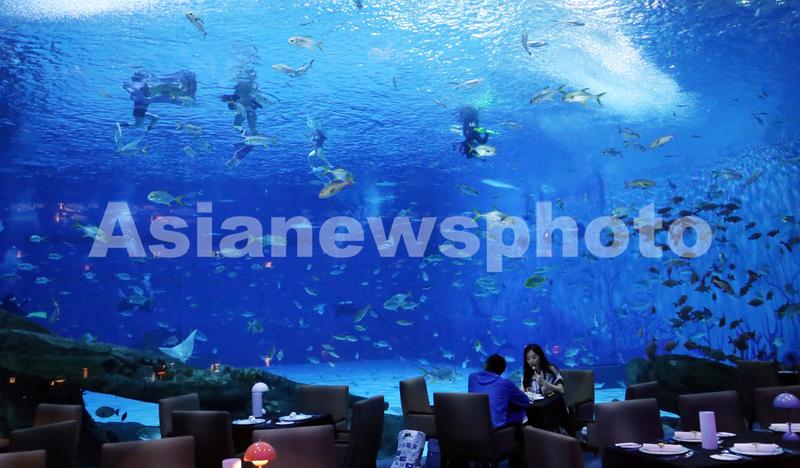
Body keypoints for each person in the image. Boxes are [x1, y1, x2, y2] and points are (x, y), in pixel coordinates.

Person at [121, 70, 197, 130]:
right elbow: (140, 95)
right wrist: (129, 89)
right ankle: (120, 125)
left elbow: (138, 95)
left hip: (141, 109)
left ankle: (148, 128)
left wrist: (128, 89)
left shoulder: (144, 92)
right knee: (138, 124)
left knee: (152, 119)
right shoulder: (143, 92)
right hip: (140, 109)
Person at [468, 354, 530, 428]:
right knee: (521, 411)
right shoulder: (505, 383)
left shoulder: (472, 377)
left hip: (473, 426)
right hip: (495, 431)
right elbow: (525, 401)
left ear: (485, 365)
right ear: (502, 370)